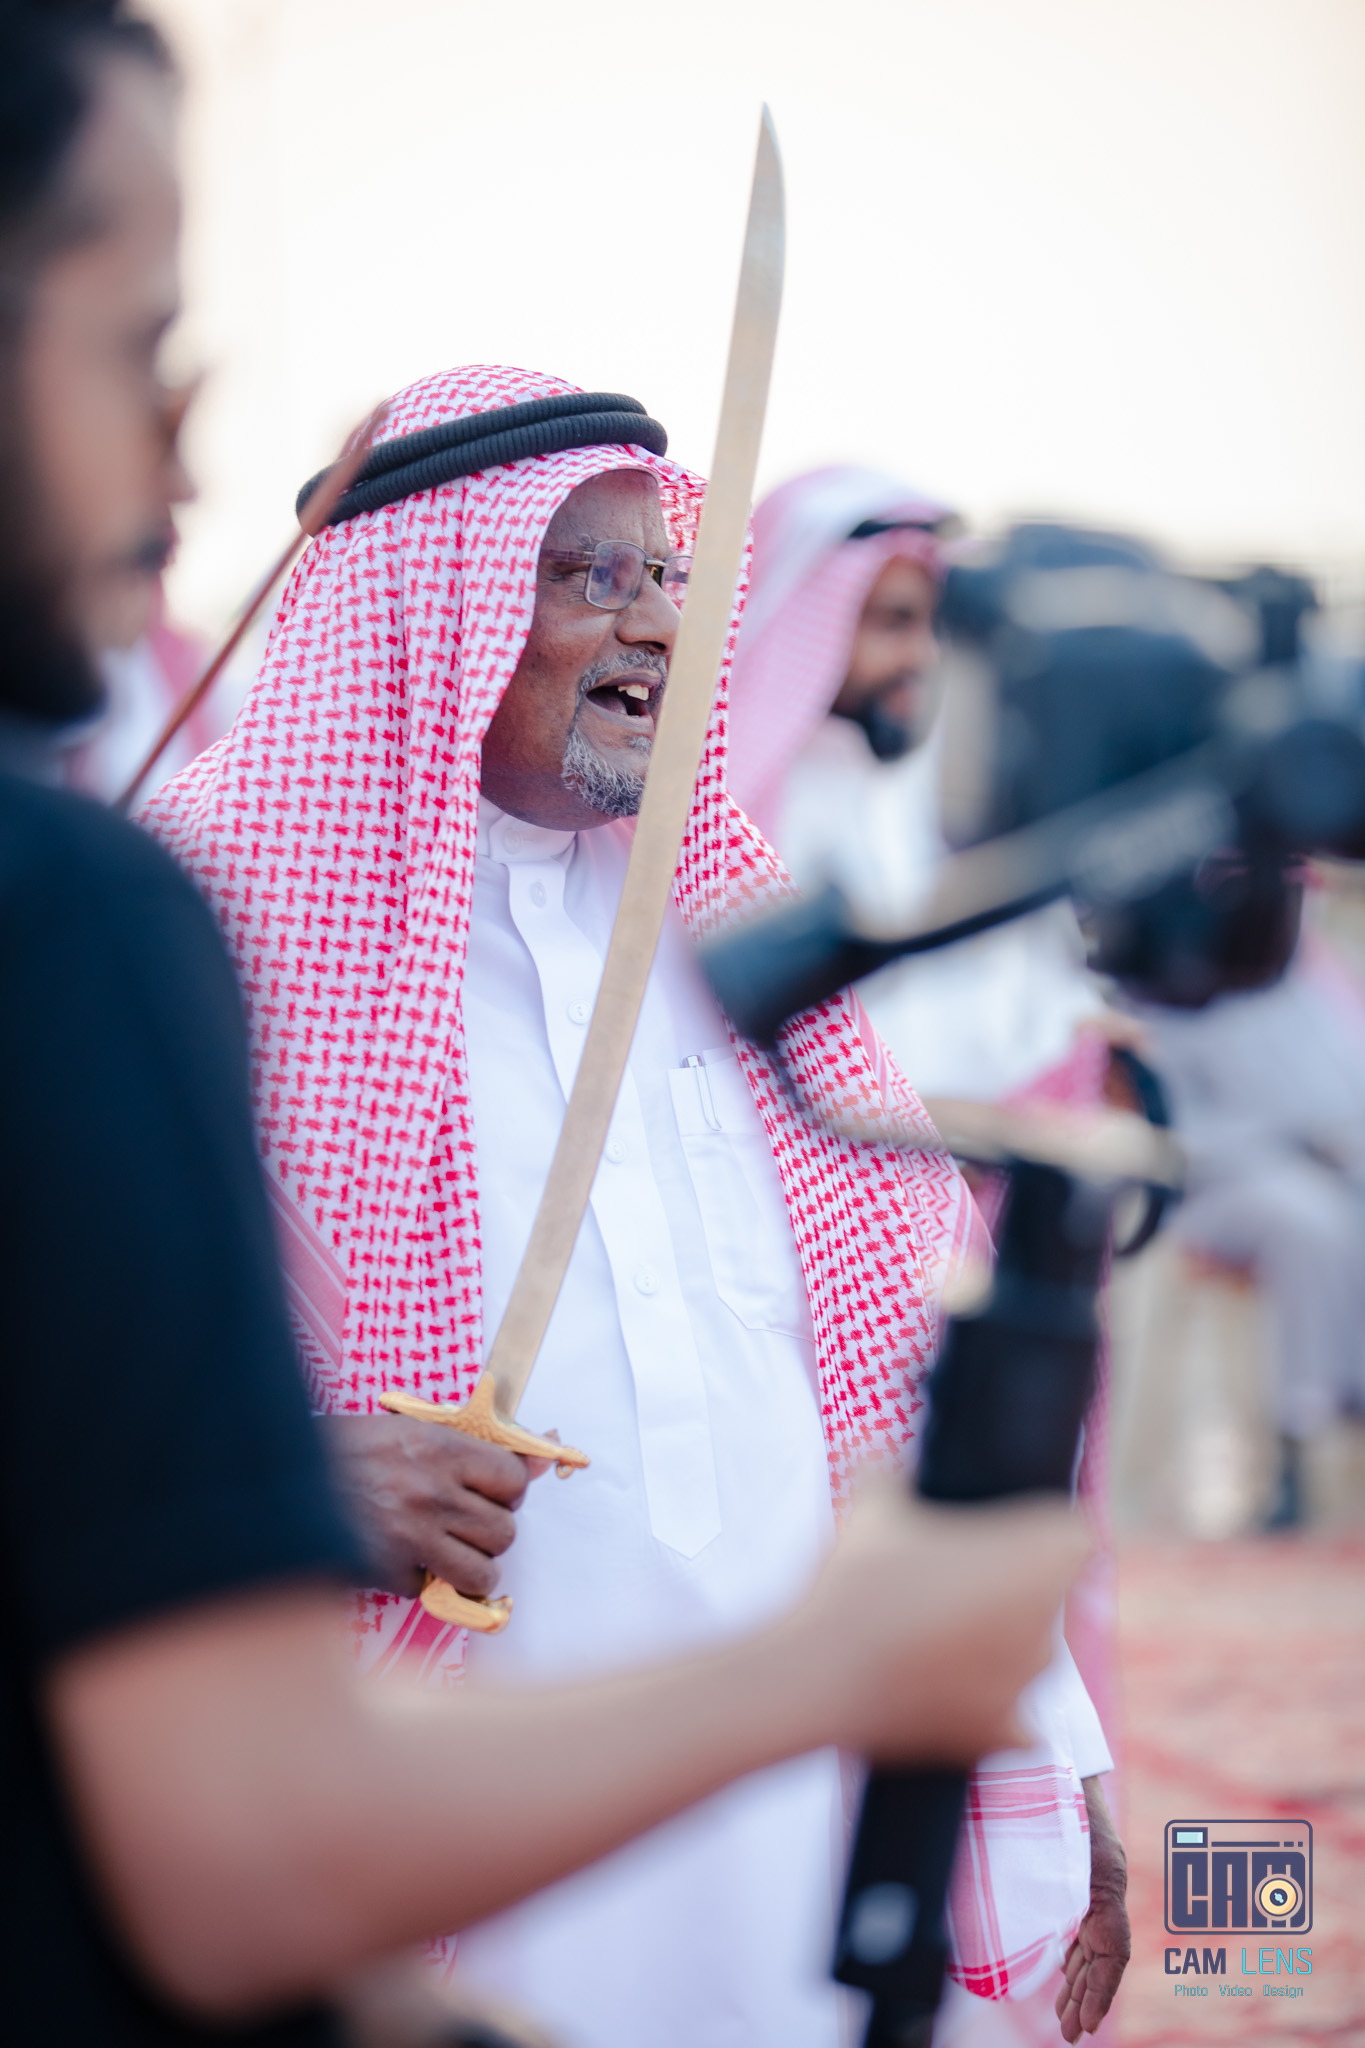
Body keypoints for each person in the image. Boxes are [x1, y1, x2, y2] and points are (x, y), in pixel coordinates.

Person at [0, 6, 1090, 2046]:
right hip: (445, 1822)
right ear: (436, 608)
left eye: (672, 571)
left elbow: (886, 1357)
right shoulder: (206, 919)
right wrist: (308, 1471)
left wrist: (1054, 1731)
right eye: (586, 575)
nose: (660, 619)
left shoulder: (744, 936)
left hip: (806, 1790)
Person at [727, 467, 1131, 2047]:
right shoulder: (742, 830)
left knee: (1048, 1577)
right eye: (880, 620)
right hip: (849, 1292)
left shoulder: (934, 807)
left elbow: (1029, 1001)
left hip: (1007, 1243)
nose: (908, 658)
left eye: (923, 625)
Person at [1134, 924, 1365, 1527]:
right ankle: (1296, 1445)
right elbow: (1175, 1127)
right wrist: (1292, 1145)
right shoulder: (1177, 971)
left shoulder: (1316, 975)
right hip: (1227, 1185)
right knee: (1307, 1221)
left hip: (1336, 1168)